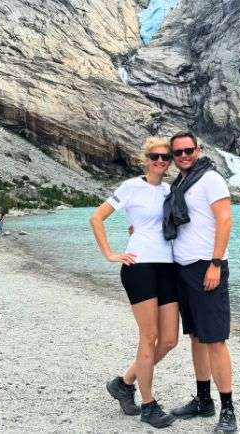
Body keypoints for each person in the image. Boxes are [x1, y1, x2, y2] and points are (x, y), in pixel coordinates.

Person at [90, 137, 178, 429]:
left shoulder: (170, 189)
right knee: (149, 337)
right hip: (138, 266)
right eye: (155, 156)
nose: (161, 162)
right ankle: (149, 405)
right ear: (145, 159)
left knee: (169, 340)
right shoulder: (130, 187)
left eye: (166, 157)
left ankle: (124, 382)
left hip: (168, 267)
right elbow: (97, 218)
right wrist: (110, 254)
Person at [164, 132, 237, 433]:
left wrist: (215, 264)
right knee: (195, 336)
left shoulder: (210, 179)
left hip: (207, 268)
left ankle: (228, 410)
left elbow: (225, 220)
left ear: (198, 150)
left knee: (215, 340)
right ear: (172, 155)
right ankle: (203, 400)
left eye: (188, 150)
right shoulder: (179, 184)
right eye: (177, 152)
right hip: (182, 269)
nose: (183, 155)